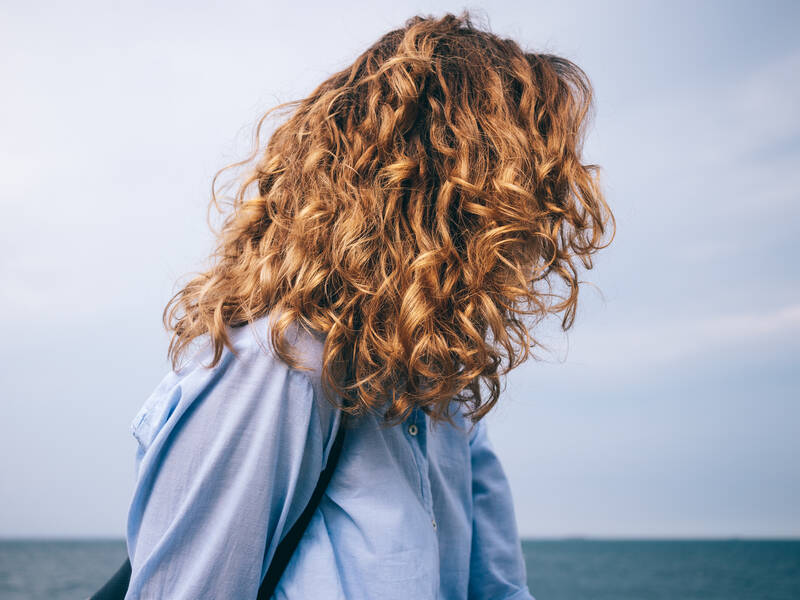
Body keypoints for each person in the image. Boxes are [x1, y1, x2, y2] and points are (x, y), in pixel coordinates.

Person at [123, 10, 614, 599]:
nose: (545, 214)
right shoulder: (279, 366)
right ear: (449, 195)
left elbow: (499, 591)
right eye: (525, 182)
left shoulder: (443, 397)